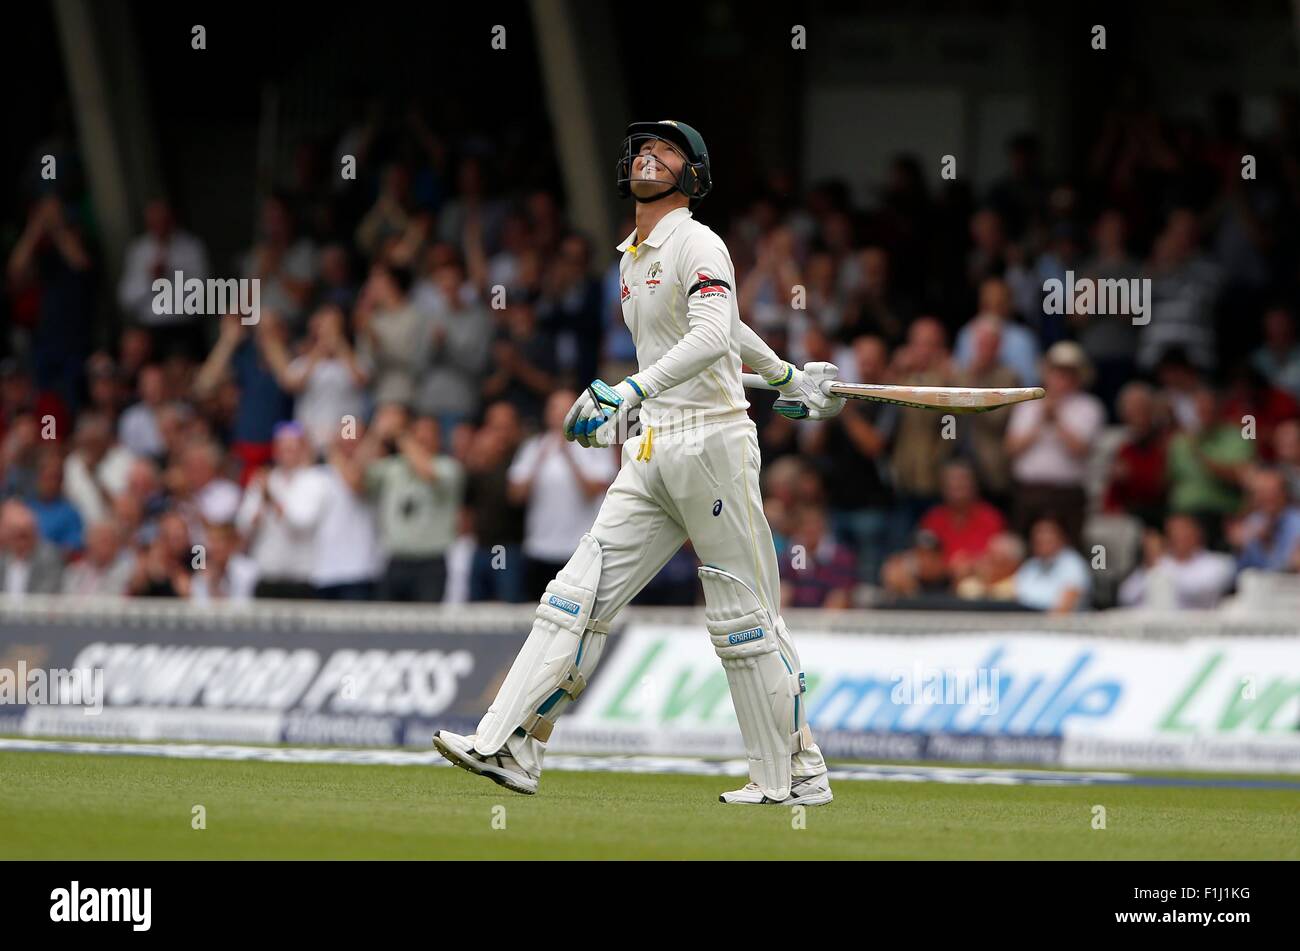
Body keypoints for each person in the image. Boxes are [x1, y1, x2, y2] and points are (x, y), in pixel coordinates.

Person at [433, 120, 846, 806]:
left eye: (668, 151)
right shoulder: (632, 257)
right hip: (654, 444)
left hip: (711, 442)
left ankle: (795, 774)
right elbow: (727, 329)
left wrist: (630, 389)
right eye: (643, 149)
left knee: (743, 617)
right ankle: (510, 744)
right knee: (575, 595)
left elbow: (713, 330)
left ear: (692, 175)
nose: (650, 156)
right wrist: (784, 376)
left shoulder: (697, 239)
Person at [508, 390, 618, 599]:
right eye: (554, 408)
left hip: (579, 550)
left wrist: (570, 456)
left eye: (565, 408)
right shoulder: (533, 447)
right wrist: (537, 462)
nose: (559, 414)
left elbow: (593, 491)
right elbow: (515, 496)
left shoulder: (595, 444)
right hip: (538, 548)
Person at [1014, 516, 1092, 613]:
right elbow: (1017, 599)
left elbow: (1064, 608)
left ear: (1062, 538)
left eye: (1047, 535)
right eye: (1038, 534)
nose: (1041, 538)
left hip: (1063, 626)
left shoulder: (1073, 565)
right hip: (1024, 621)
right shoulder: (1029, 566)